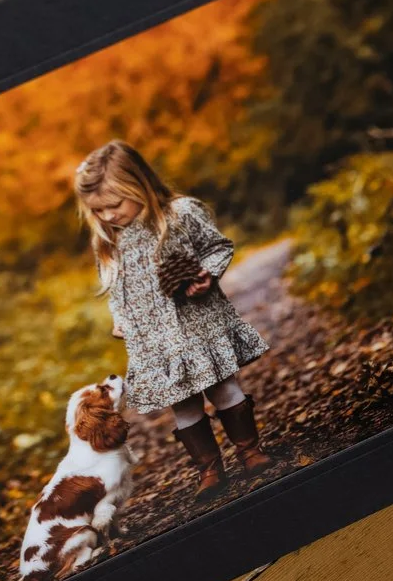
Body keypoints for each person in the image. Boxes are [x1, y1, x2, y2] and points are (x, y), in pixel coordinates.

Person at [72, 139, 272, 492]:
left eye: (114, 205)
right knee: (184, 404)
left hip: (198, 325)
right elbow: (115, 287)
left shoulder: (180, 214)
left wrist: (207, 275)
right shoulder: (108, 239)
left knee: (223, 387)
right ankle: (209, 470)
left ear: (139, 185)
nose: (108, 216)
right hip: (154, 342)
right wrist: (119, 317)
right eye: (98, 210)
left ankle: (249, 451)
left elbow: (218, 247)